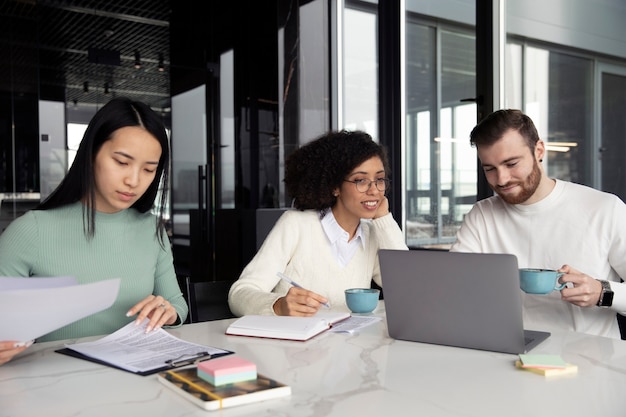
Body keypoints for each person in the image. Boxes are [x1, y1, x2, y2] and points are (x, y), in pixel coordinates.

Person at [0, 97, 188, 364]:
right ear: (91, 154)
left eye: (148, 170)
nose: (133, 181)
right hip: (54, 386)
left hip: (136, 379)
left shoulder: (150, 229)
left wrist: (168, 312)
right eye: (122, 162)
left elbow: (176, 302)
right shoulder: (31, 231)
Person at [450, 109, 626, 339]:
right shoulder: (482, 214)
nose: (501, 179)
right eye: (490, 169)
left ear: (539, 150)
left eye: (511, 163)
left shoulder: (605, 209)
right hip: (508, 355)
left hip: (589, 363)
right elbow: (453, 286)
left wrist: (603, 292)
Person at [228, 130, 408, 317]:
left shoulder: (372, 234)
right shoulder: (296, 225)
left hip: (348, 344)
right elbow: (239, 294)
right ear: (335, 187)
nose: (374, 191)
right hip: (292, 344)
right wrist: (278, 306)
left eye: (379, 180)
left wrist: (384, 218)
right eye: (360, 180)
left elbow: (408, 288)